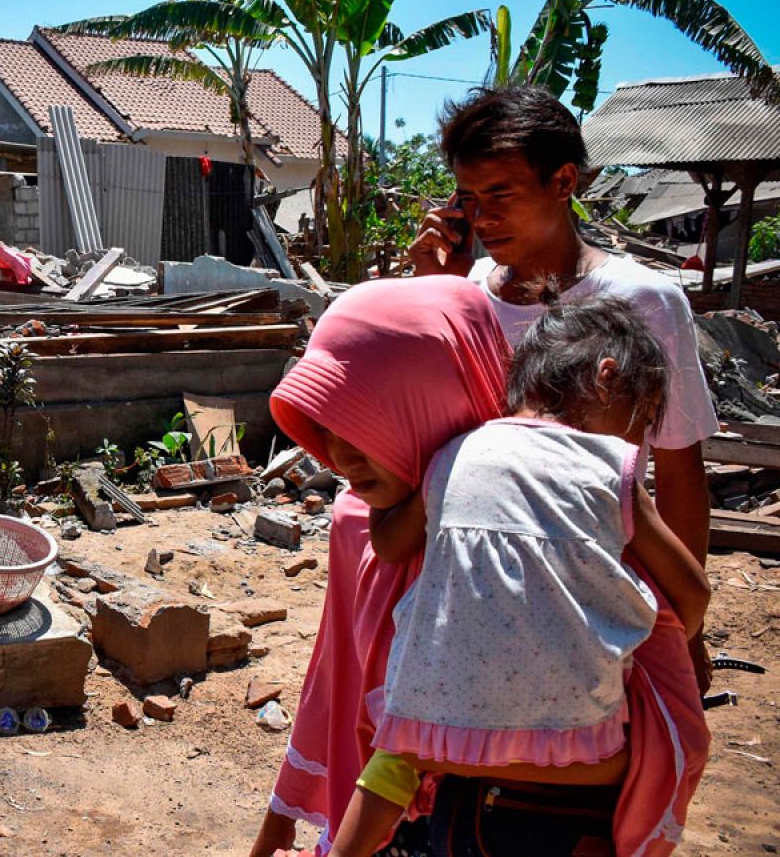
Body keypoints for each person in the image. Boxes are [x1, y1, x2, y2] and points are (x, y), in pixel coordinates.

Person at [330, 298, 711, 856]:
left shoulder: (454, 456)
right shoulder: (613, 468)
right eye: (641, 420)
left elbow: (388, 546)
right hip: (581, 755)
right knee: (673, 739)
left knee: (396, 746)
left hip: (431, 739)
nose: (637, 445)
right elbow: (694, 595)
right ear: (608, 378)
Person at [409, 85, 719, 689]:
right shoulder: (461, 291)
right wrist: (432, 298)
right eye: (469, 199)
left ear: (564, 181)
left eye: (501, 194)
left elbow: (681, 467)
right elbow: (420, 449)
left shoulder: (644, 300)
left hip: (599, 603)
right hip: (466, 594)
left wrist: (687, 629)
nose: (483, 217)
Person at [248, 275, 510, 857]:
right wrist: (280, 818)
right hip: (377, 815)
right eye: (329, 427)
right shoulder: (355, 520)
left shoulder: (501, 542)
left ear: (435, 401)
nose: (338, 456)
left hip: (473, 821)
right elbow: (334, 675)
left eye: (364, 425)